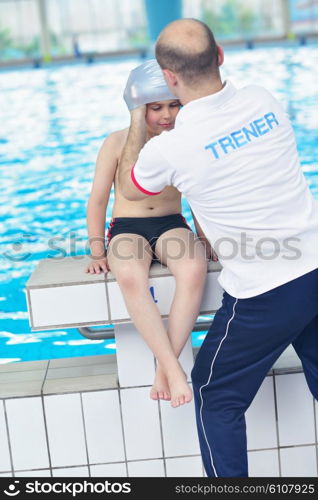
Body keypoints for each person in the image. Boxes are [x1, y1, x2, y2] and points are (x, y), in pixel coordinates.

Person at [117, 19, 318, 477]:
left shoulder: (171, 148)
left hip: (269, 289)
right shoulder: (264, 98)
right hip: (316, 259)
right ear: (221, 55)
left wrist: (135, 112)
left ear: (168, 78)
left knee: (213, 394)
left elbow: (131, 189)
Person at [85, 60, 211, 408]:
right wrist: (98, 251)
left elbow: (198, 197)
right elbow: (97, 200)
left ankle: (164, 370)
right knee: (128, 275)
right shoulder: (117, 143)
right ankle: (173, 367)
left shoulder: (185, 142)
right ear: (137, 109)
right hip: (128, 227)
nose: (166, 115)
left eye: (173, 104)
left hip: (171, 224)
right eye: (156, 107)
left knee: (193, 269)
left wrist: (206, 239)